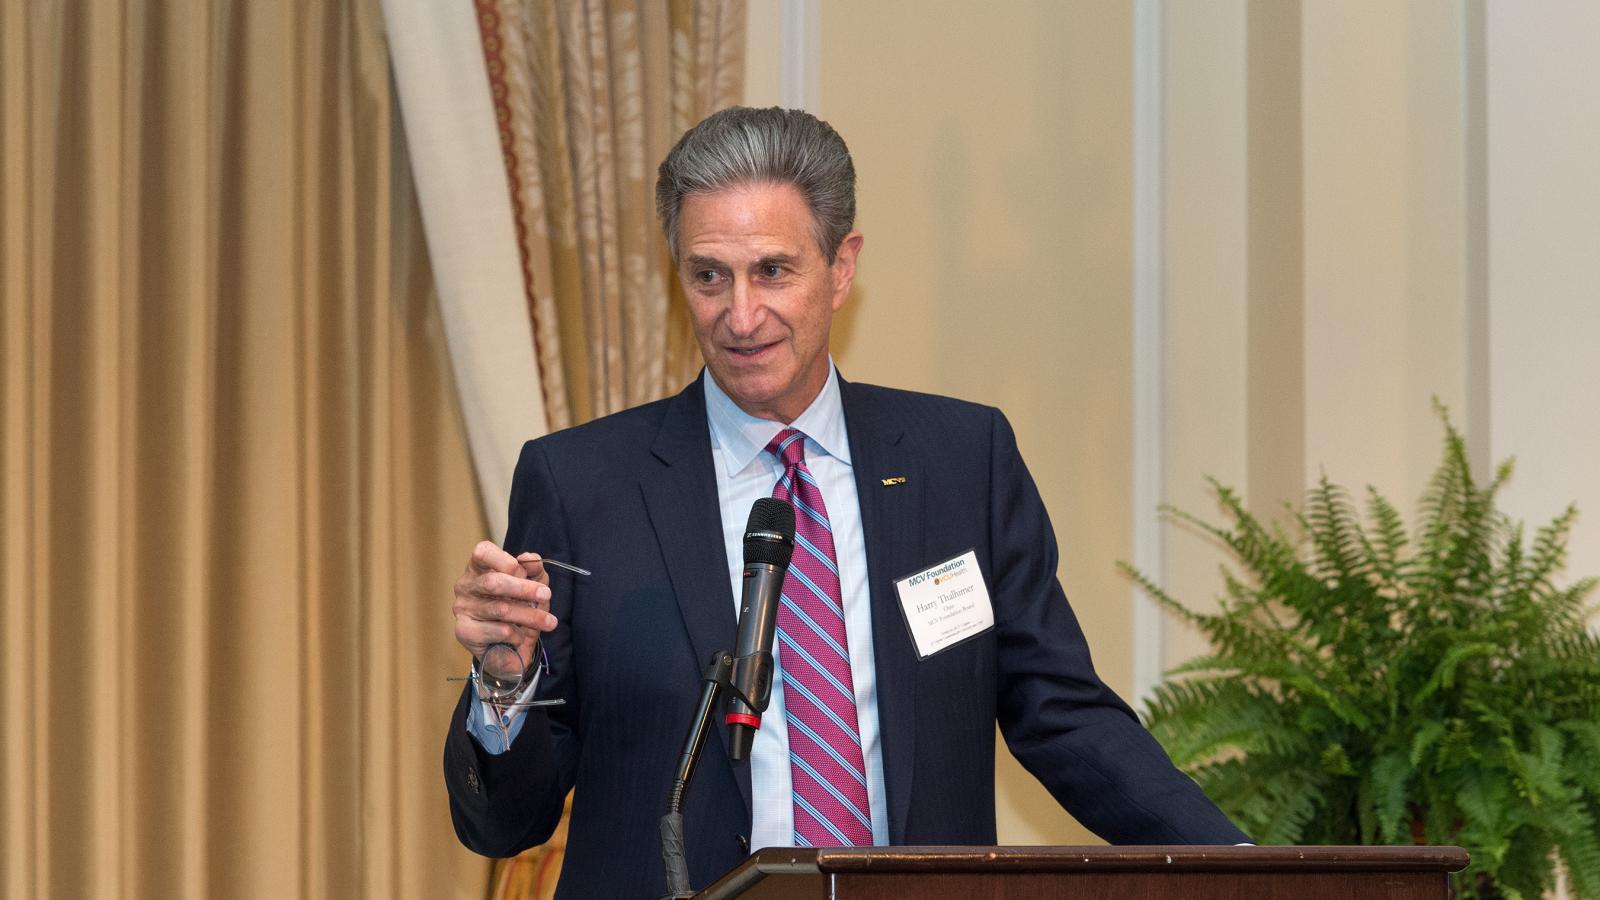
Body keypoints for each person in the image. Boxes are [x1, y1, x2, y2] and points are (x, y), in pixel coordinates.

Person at [444, 106, 1248, 897]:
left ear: (842, 267)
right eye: (709, 276)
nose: (741, 314)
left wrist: (1245, 866)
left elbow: (1063, 715)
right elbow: (503, 824)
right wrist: (506, 683)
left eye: (774, 270)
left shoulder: (961, 462)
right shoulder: (582, 482)